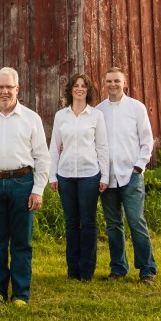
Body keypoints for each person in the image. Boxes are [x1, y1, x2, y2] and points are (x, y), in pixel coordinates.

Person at [0, 66, 51, 307]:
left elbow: (42, 157)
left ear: (17, 89)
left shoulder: (31, 119)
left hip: (22, 183)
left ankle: (21, 293)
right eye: (0, 87)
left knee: (22, 242)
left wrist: (38, 190)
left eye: (9, 87)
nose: (4, 91)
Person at [97, 67, 157, 283]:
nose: (112, 84)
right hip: (107, 177)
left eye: (116, 81)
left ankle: (147, 269)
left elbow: (147, 140)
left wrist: (139, 167)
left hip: (130, 175)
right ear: (104, 84)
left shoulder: (136, 108)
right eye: (109, 81)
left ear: (124, 83)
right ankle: (118, 268)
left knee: (136, 221)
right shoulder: (99, 110)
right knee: (113, 225)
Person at [49, 73, 109, 280]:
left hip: (89, 175)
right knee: (71, 223)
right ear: (70, 89)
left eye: (83, 86)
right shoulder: (61, 116)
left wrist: (105, 176)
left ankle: (86, 270)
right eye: (76, 85)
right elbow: (54, 147)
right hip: (65, 175)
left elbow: (102, 147)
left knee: (88, 223)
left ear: (88, 90)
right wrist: (52, 176)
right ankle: (72, 270)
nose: (80, 89)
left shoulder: (96, 116)